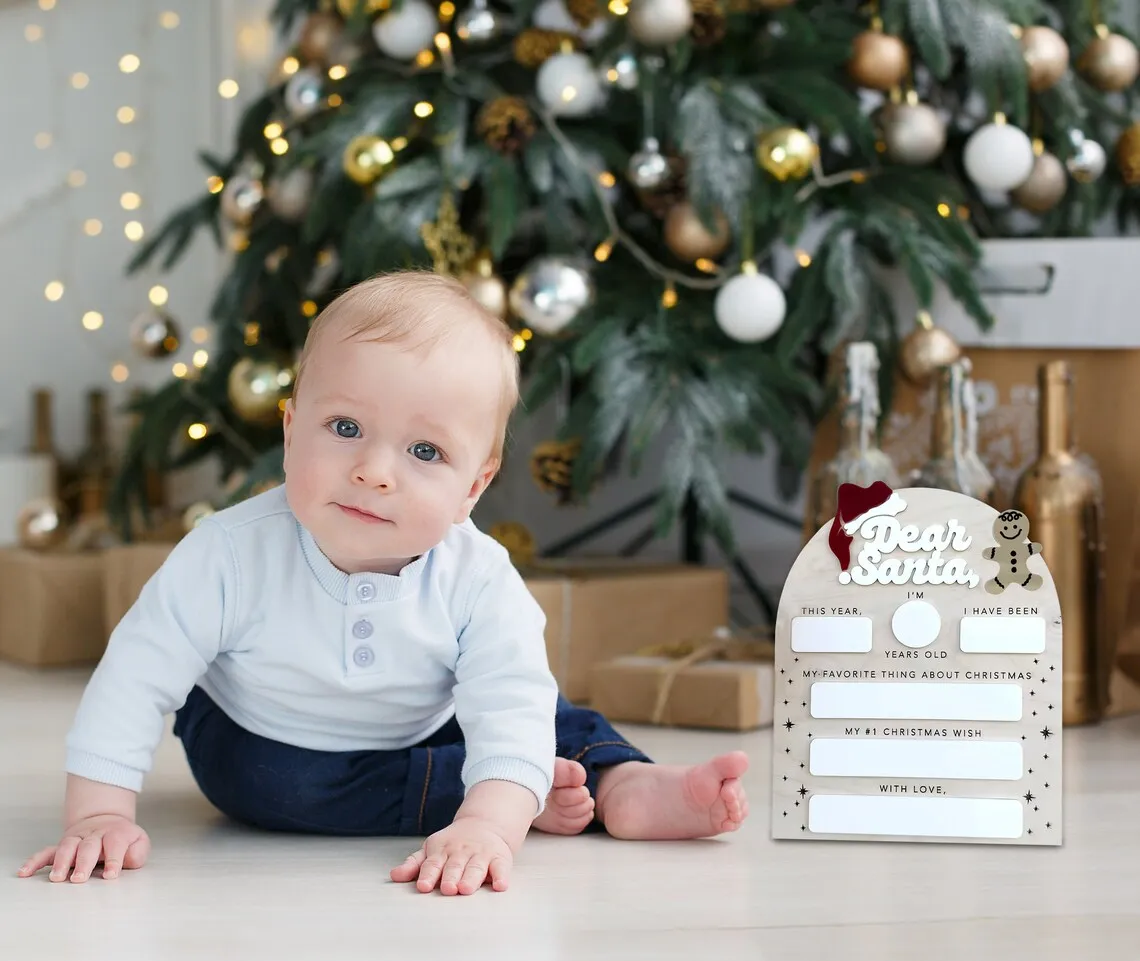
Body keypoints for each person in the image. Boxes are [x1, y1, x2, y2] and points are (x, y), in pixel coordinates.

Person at [18, 271, 749, 896]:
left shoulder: (479, 576)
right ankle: (518, 786)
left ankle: (623, 786)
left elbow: (508, 696)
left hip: (428, 722)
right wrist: (98, 813)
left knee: (545, 711)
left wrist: (486, 829)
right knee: (274, 782)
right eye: (343, 428)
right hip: (268, 738)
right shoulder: (228, 553)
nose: (374, 469)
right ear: (290, 428)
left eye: (425, 450)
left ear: (474, 484)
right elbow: (136, 674)